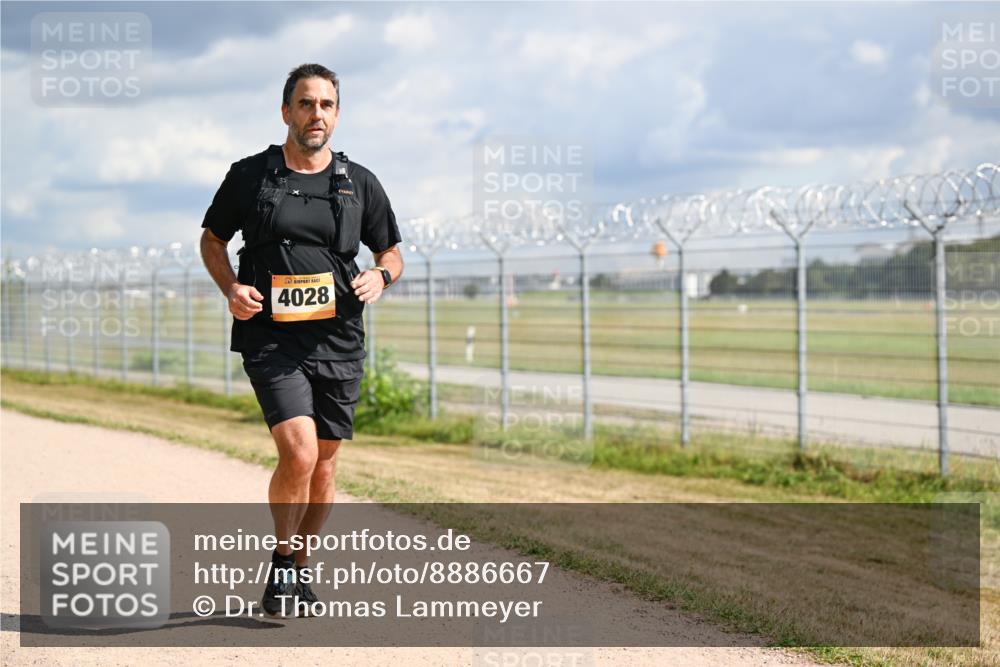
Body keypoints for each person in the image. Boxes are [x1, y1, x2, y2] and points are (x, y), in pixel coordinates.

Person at [199, 63, 403, 618]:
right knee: (300, 452)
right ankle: (283, 559)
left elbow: (391, 253)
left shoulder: (359, 183)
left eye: (327, 104)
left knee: (325, 466)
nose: (317, 114)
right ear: (286, 111)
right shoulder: (250, 175)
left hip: (338, 337)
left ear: (337, 114)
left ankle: (297, 570)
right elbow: (213, 240)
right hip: (271, 337)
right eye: (306, 103)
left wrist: (380, 276)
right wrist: (231, 287)